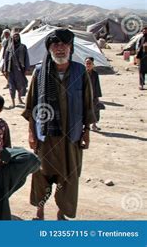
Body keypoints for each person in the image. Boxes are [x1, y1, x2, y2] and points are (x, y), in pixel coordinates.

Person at [21, 28, 95, 220]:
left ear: (71, 47)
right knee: (41, 175)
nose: (60, 48)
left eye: (64, 44)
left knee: (69, 177)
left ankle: (62, 213)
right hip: (45, 136)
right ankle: (40, 210)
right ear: (49, 48)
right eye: (56, 44)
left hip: (72, 136)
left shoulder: (80, 71)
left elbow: (88, 104)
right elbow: (31, 106)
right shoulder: (39, 72)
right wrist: (31, 133)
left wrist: (87, 131)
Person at [3, 32, 30, 108]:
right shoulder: (9, 48)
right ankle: (13, 102)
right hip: (11, 70)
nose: (16, 38)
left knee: (20, 85)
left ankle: (19, 99)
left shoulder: (23, 47)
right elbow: (5, 59)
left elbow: (26, 58)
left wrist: (27, 68)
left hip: (20, 70)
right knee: (12, 86)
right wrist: (5, 69)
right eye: (14, 37)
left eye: (17, 37)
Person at [85, 57, 103, 131]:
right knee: (87, 111)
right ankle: (87, 126)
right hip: (85, 95)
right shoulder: (83, 73)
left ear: (93, 64)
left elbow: (97, 85)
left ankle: (94, 125)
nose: (88, 65)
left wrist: (97, 96)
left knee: (95, 110)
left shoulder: (95, 74)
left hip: (94, 95)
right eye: (87, 63)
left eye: (90, 63)